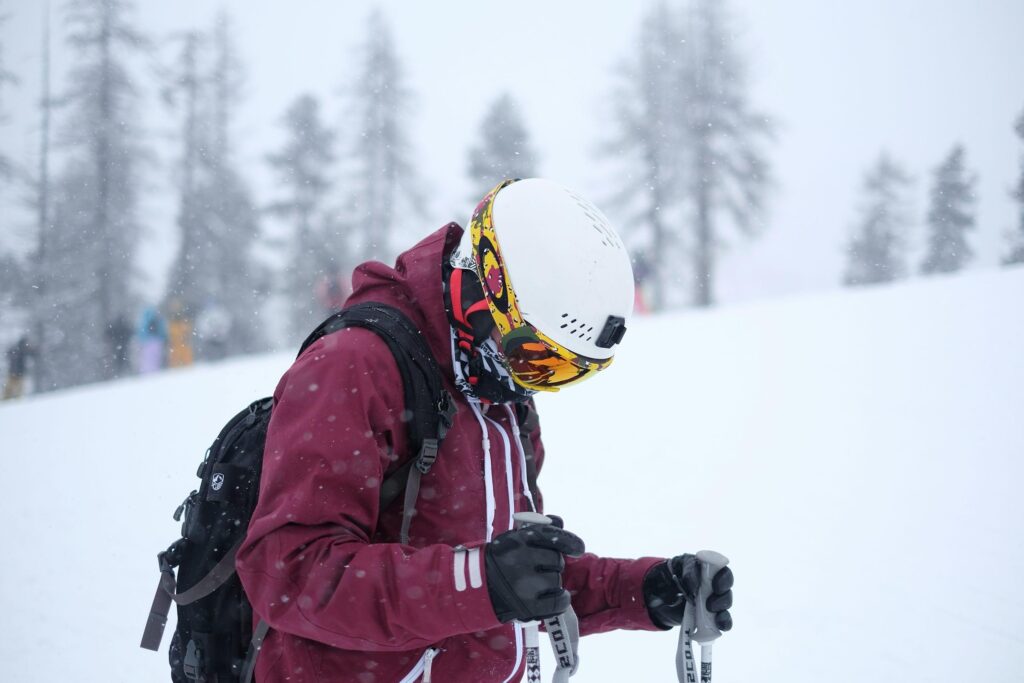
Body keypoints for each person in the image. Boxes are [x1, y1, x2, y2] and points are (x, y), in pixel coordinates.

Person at [236, 179, 734, 682]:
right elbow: (288, 571)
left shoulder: (500, 401)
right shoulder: (354, 368)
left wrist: (643, 589)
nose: (531, 383)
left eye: (561, 372)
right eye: (534, 357)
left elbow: (519, 578)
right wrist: (482, 582)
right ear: (483, 290)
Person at [2, 336, 35, 400]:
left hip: (12, 372)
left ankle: (6, 400)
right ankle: (16, 401)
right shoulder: (23, 350)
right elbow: (33, 353)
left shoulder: (15, 349)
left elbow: (8, 355)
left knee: (9, 389)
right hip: (19, 373)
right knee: (18, 390)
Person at [137, 307, 167, 375]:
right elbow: (162, 331)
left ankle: (148, 372)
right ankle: (152, 372)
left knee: (148, 359)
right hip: (155, 342)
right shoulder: (157, 320)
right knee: (154, 359)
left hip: (148, 342)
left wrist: (142, 340)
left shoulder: (145, 321)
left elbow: (141, 333)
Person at [166, 300, 194, 368]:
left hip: (183, 343)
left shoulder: (183, 318)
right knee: (175, 359)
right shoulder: (171, 320)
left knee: (186, 359)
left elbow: (187, 330)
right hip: (175, 344)